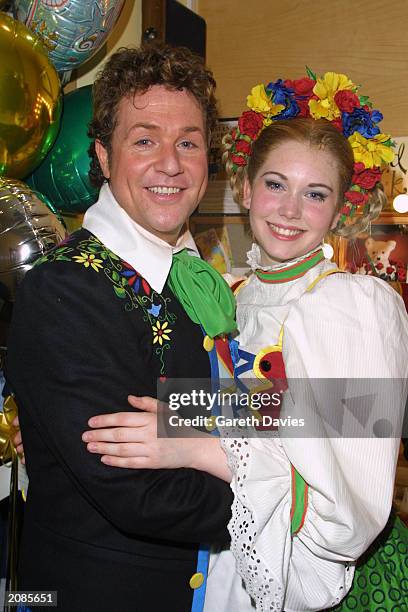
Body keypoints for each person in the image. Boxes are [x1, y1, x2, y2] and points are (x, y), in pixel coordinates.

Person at [82, 72, 408, 611]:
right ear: (246, 187)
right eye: (276, 184)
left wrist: (190, 445)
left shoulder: (350, 307)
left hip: (320, 576)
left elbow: (342, 497)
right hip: (230, 549)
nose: (289, 210)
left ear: (338, 209)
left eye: (315, 194)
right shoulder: (226, 291)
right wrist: (73, 426)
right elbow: (239, 408)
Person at [5, 44, 238, 612]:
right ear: (104, 156)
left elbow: (217, 409)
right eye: (144, 140)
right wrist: (300, 489)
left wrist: (221, 444)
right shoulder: (65, 289)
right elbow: (140, 493)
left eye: (188, 141)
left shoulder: (199, 279)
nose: (171, 163)